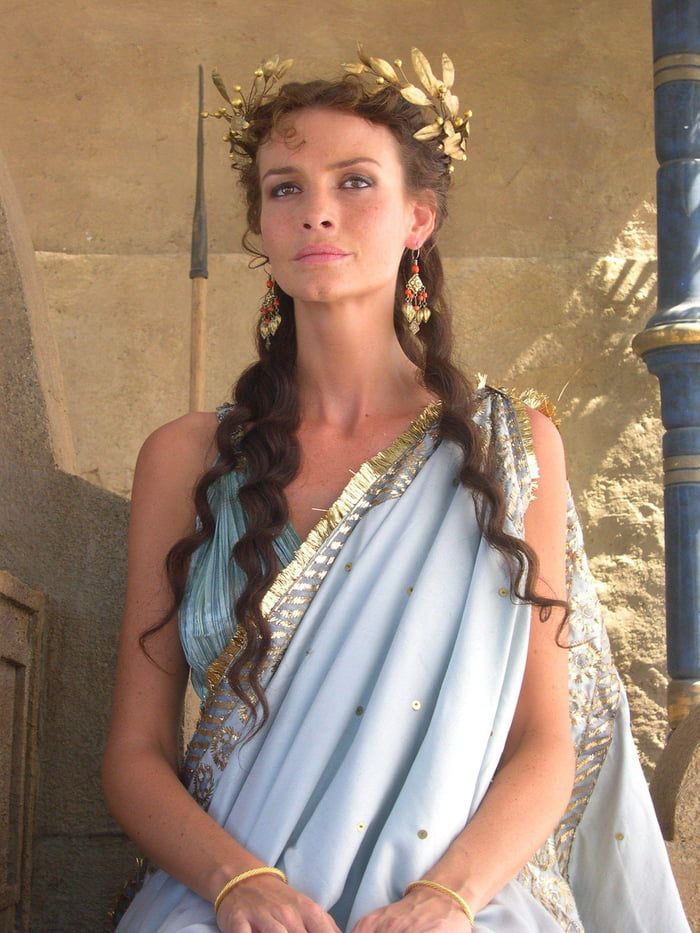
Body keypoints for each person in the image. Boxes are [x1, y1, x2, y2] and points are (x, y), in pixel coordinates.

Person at [102, 46, 691, 933]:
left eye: (355, 183)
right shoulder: (185, 458)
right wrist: (236, 884)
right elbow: (135, 754)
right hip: (225, 892)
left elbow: (545, 745)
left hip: (455, 892)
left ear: (419, 217)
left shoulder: (512, 447)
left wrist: (445, 898)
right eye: (286, 188)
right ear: (259, 224)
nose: (318, 213)